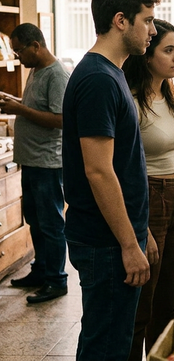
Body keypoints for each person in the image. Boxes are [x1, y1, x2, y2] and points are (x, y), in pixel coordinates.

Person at [62, 0, 159, 361]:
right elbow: (99, 171)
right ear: (121, 20)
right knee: (105, 347)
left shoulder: (113, 72)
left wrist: (141, 229)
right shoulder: (98, 80)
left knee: (116, 341)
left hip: (117, 236)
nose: (152, 30)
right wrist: (127, 244)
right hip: (105, 244)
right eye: (147, 20)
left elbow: (123, 164)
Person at [123, 19, 174, 360]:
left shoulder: (170, 96)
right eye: (169, 50)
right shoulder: (132, 101)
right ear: (147, 56)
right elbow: (121, 169)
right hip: (147, 197)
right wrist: (141, 228)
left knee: (168, 298)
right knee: (143, 301)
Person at [4, 23, 70, 304]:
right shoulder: (36, 71)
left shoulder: (56, 75)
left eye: (20, 51)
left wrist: (19, 109)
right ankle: (40, 270)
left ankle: (56, 280)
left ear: (36, 45)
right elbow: (37, 108)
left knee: (51, 223)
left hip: (47, 163)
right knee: (35, 220)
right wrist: (15, 101)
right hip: (31, 160)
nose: (18, 56)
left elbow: (60, 120)